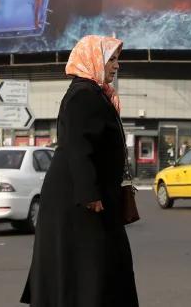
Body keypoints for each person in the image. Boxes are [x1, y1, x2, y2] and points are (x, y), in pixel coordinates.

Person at [22, 35, 138, 306]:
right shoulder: (83, 95)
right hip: (80, 200)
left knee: (98, 265)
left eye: (116, 60)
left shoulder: (94, 93)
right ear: (93, 60)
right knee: (91, 265)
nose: (116, 66)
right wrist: (89, 194)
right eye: (111, 60)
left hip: (88, 195)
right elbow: (77, 145)